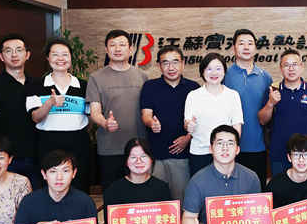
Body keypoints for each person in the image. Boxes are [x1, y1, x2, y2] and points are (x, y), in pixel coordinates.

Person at [26, 38, 92, 192]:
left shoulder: (84, 86)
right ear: (48, 58)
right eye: (55, 54)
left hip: (78, 143)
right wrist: (49, 103)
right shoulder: (36, 85)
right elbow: (35, 117)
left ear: (71, 58)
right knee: (49, 188)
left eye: (65, 54)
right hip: (47, 143)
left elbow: (89, 117)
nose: (60, 59)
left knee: (79, 186)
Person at [89, 30, 149, 187]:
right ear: (106, 50)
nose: (117, 49)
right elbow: (94, 111)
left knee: (139, 194)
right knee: (112, 193)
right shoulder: (96, 77)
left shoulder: (142, 76)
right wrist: (105, 123)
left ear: (131, 49)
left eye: (122, 45)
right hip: (109, 148)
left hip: (138, 148)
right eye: (112, 45)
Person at [140, 45, 199, 200]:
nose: (171, 67)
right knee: (156, 200)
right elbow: (146, 115)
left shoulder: (193, 88)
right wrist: (151, 123)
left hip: (183, 156)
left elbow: (199, 121)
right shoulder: (150, 87)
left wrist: (187, 138)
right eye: (165, 63)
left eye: (175, 62)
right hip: (156, 154)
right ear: (159, 65)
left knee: (181, 199)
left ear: (183, 63)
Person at [0, 34, 39, 185]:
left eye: (19, 50)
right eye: (8, 51)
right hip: (6, 156)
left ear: (27, 54)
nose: (14, 55)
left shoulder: (38, 84)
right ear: (1, 56)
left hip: (36, 153)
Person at [260, 49, 307, 178]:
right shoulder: (273, 90)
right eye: (286, 65)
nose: (291, 68)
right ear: (281, 68)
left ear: (301, 66)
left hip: (305, 154)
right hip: (279, 152)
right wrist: (270, 103)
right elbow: (262, 120)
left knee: (306, 189)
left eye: (294, 64)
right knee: (281, 188)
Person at [225, 28, 273, 182]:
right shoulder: (224, 75)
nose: (246, 47)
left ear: (255, 48)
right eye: (241, 43)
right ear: (234, 48)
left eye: (250, 43)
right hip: (229, 147)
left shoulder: (265, 77)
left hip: (258, 146)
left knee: (256, 189)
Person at [183, 52, 243, 176]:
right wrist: (189, 126)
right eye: (209, 69)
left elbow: (237, 126)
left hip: (225, 152)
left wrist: (232, 148)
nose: (214, 73)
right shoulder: (193, 95)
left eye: (218, 68)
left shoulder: (233, 95)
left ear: (224, 72)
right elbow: (187, 122)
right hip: (200, 152)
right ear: (202, 72)